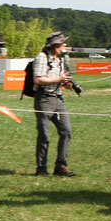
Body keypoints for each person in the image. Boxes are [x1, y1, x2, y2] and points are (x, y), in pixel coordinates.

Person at [32, 32, 76, 176]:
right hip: (44, 100)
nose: (65, 45)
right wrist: (59, 79)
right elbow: (38, 80)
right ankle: (41, 169)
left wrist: (66, 84)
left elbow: (58, 79)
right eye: (63, 43)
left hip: (59, 99)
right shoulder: (41, 57)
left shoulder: (60, 59)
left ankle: (60, 166)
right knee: (44, 136)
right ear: (55, 45)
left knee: (66, 132)